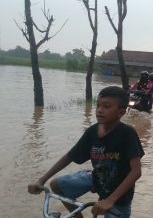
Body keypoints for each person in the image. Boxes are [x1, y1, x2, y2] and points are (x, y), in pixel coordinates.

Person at [28, 86, 145, 218]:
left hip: (120, 195)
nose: (100, 110)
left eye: (106, 106)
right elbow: (69, 156)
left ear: (121, 113)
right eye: (98, 105)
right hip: (96, 178)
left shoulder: (127, 133)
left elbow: (136, 171)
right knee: (57, 185)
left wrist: (110, 200)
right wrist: (41, 180)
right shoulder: (92, 132)